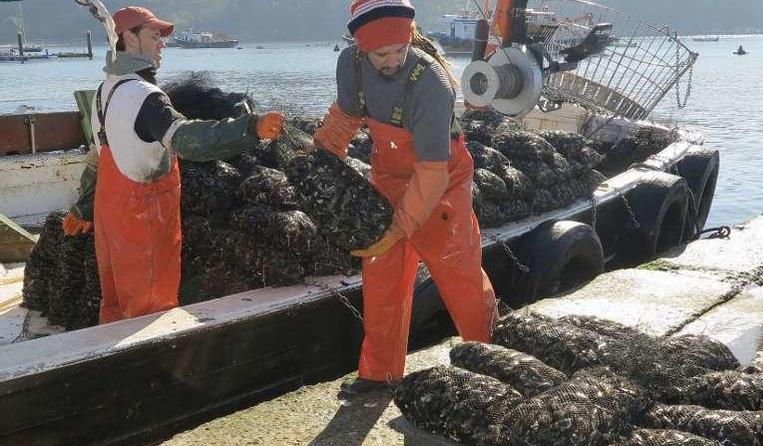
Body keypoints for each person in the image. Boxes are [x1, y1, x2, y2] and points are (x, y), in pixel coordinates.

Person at [315, 0, 497, 396]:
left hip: (442, 183)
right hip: (388, 177)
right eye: (382, 53)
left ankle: (492, 363)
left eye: (400, 49)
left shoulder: (431, 82)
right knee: (381, 279)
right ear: (360, 46)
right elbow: (345, 119)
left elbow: (432, 172)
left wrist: (398, 228)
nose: (393, 59)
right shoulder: (351, 65)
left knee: (458, 274)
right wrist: (316, 161)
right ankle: (379, 374)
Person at [62, 6, 284, 324]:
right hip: (144, 220)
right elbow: (186, 139)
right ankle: (149, 370)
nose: (162, 44)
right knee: (150, 313)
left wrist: (84, 207)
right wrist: (250, 128)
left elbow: (101, 155)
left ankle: (112, 363)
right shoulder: (147, 97)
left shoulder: (103, 92)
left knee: (114, 305)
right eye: (154, 36)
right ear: (129, 38)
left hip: (111, 218)